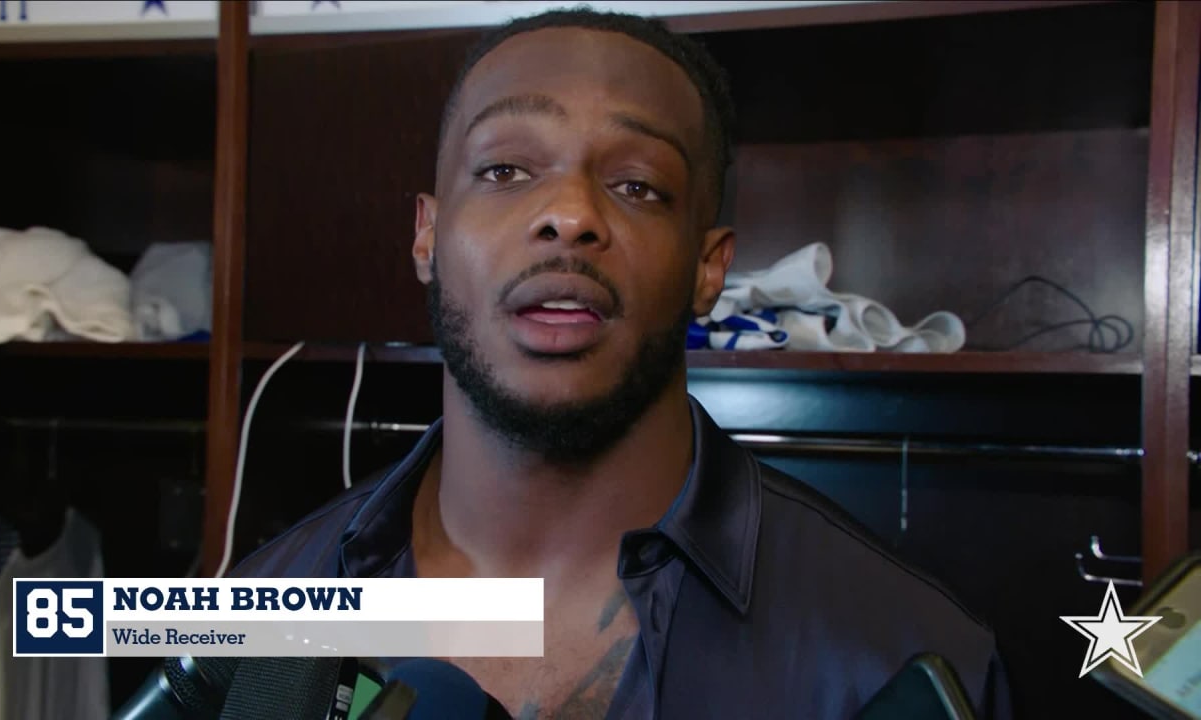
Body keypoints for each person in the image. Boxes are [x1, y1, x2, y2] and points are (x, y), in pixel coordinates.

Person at [230, 7, 1012, 719]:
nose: (569, 216)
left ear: (709, 269)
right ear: (426, 236)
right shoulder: (251, 620)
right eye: (504, 170)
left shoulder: (897, 663)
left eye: (638, 185)